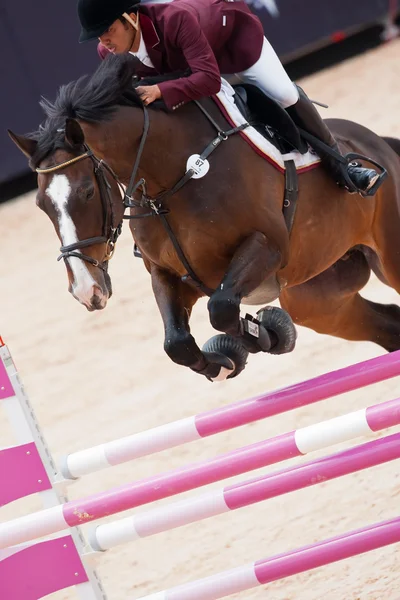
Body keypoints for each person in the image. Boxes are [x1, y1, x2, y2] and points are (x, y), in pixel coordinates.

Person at [77, 0, 380, 195]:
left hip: (233, 43)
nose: (103, 40)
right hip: (188, 65)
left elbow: (209, 79)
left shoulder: (175, 20)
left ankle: (342, 165)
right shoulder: (109, 51)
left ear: (131, 18)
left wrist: (159, 90)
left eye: (108, 30)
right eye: (97, 36)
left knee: (283, 93)